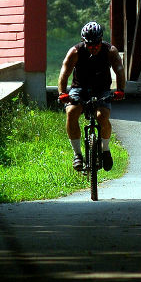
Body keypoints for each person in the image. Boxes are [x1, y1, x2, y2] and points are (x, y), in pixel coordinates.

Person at [57, 21, 125, 172]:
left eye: (96, 44)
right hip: (79, 88)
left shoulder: (110, 51)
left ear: (101, 40)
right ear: (83, 42)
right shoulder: (75, 52)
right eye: (89, 45)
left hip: (101, 89)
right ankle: (77, 155)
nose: (93, 47)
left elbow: (119, 70)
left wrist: (120, 90)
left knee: (102, 116)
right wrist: (62, 93)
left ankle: (105, 150)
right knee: (71, 112)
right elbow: (64, 72)